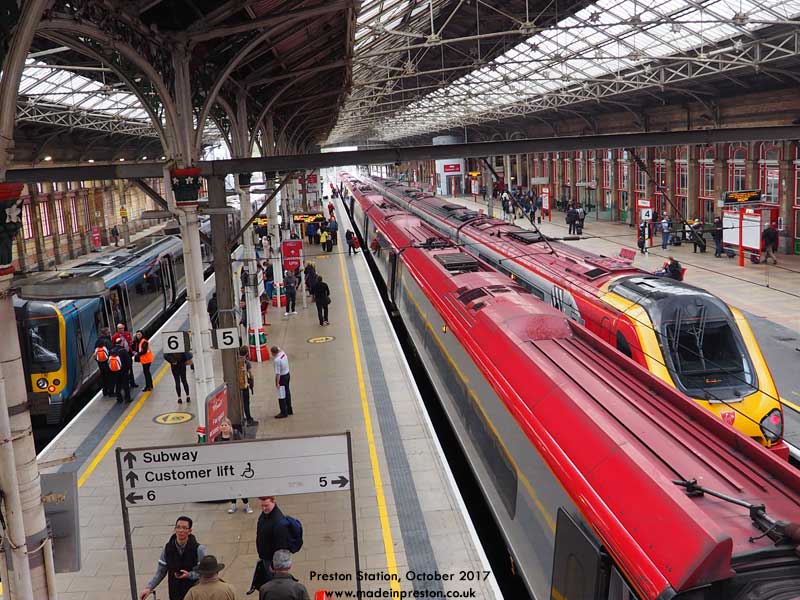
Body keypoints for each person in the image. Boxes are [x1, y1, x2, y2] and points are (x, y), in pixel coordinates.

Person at [140, 516, 206, 600]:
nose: (181, 530)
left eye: (184, 528)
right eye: (178, 527)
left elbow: (204, 571)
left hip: (193, 592)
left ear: (189, 531)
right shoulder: (168, 548)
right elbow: (161, 571)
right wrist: (149, 588)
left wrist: (190, 575)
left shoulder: (199, 549)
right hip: (174, 591)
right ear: (175, 529)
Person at [250, 496, 291, 593]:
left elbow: (281, 547)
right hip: (265, 556)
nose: (264, 508)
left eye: (266, 505)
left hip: (272, 561)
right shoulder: (265, 514)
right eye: (262, 506)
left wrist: (274, 565)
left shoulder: (279, 522)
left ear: (273, 502)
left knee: (272, 582)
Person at [214, 418, 254, 513]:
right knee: (231, 485)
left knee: (240, 485)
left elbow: (242, 446)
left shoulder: (235, 434)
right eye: (222, 425)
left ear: (229, 426)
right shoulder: (217, 438)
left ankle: (246, 505)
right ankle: (233, 505)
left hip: (237, 463)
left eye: (225, 425)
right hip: (226, 465)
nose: (223, 427)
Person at [109, 337, 132, 403]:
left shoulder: (112, 350)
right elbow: (128, 361)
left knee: (118, 384)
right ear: (121, 343)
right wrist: (129, 369)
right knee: (125, 385)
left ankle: (119, 398)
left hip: (115, 371)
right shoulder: (123, 350)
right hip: (123, 371)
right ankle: (127, 399)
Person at [271, 346, 291, 418]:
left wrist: (277, 383)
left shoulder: (277, 360)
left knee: (281, 395)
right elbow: (279, 348)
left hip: (282, 378)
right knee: (287, 392)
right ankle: (289, 409)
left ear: (273, 353)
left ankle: (283, 412)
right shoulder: (283, 354)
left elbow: (278, 374)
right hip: (287, 374)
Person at [238, 347, 257, 426]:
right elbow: (251, 374)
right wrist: (252, 382)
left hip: (237, 385)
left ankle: (241, 417)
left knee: (239, 402)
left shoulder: (236, 361)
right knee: (246, 402)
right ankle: (249, 418)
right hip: (244, 385)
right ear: (247, 353)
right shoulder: (246, 362)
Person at [94, 326, 114, 396]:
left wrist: (99, 361)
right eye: (108, 332)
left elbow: (95, 353)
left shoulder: (97, 341)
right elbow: (111, 351)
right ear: (106, 333)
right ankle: (111, 392)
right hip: (107, 362)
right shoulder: (107, 341)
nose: (109, 333)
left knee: (103, 377)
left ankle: (105, 391)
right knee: (110, 376)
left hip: (100, 363)